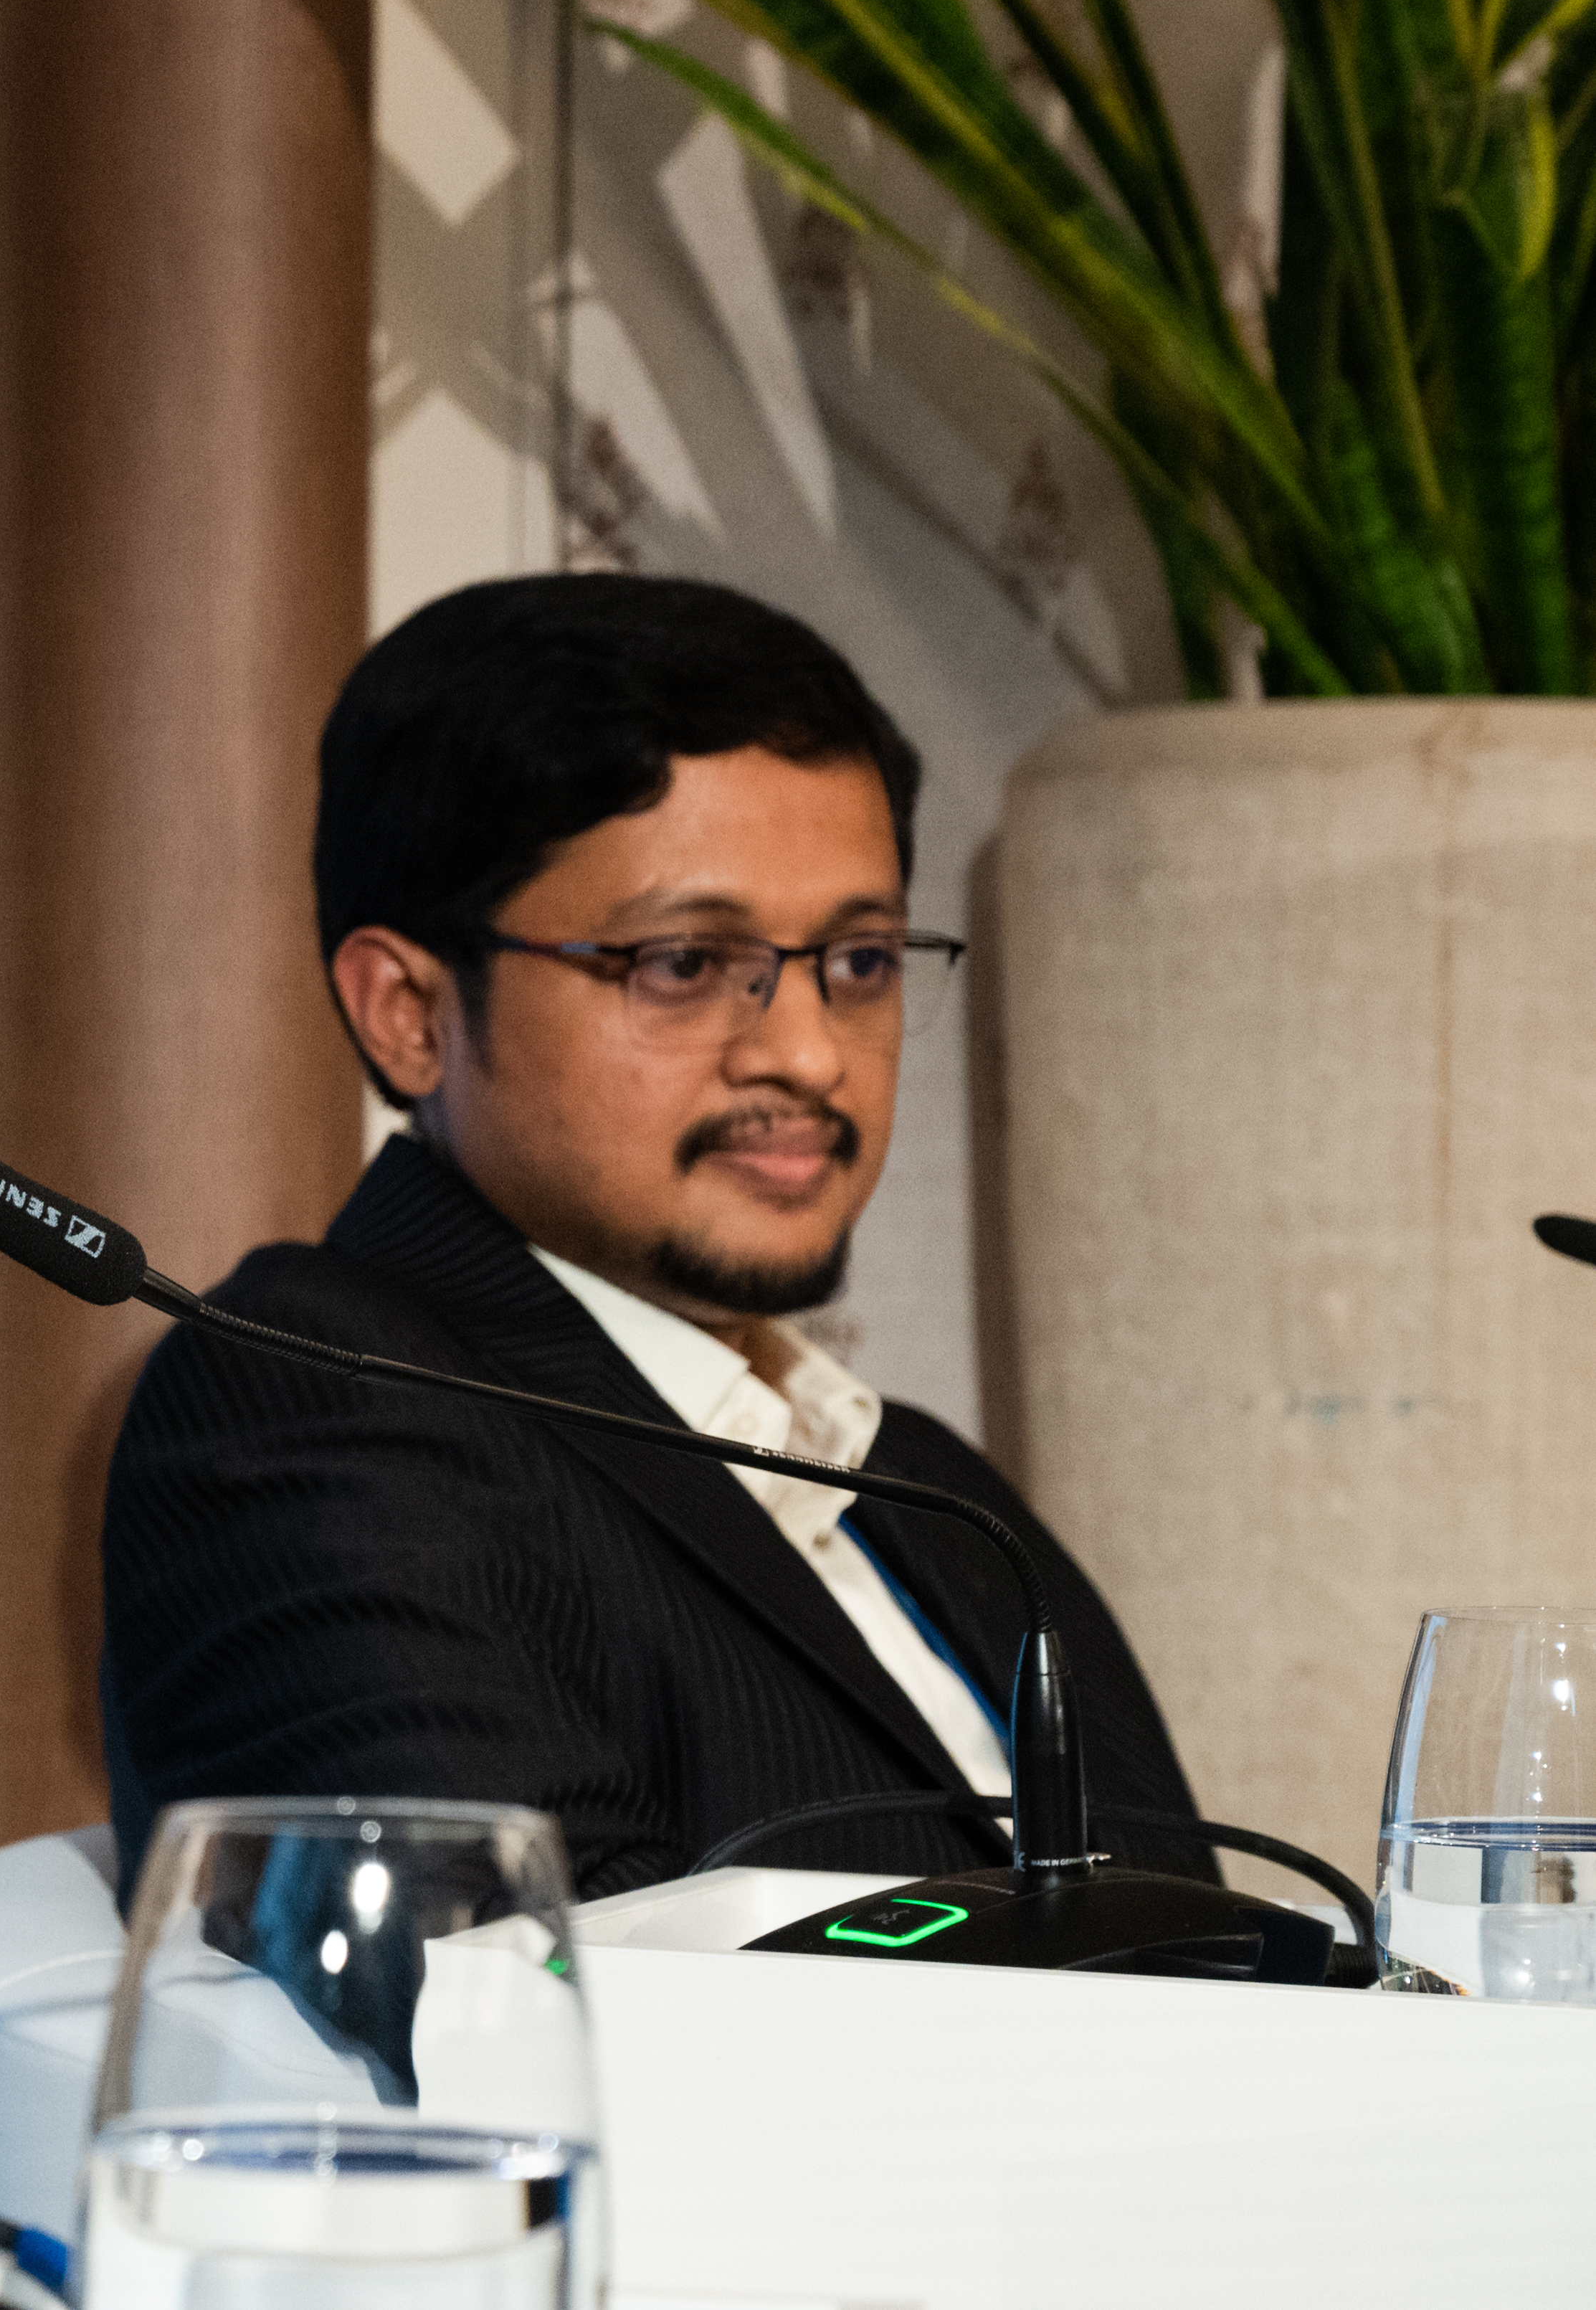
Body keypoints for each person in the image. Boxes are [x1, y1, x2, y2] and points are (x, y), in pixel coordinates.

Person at [100, 574, 1203, 1895]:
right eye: (681, 964)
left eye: (857, 962)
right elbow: (555, 1997)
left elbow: (1203, 1957)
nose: (807, 1054)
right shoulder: (307, 1401)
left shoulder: (936, 1495)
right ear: (408, 1011)